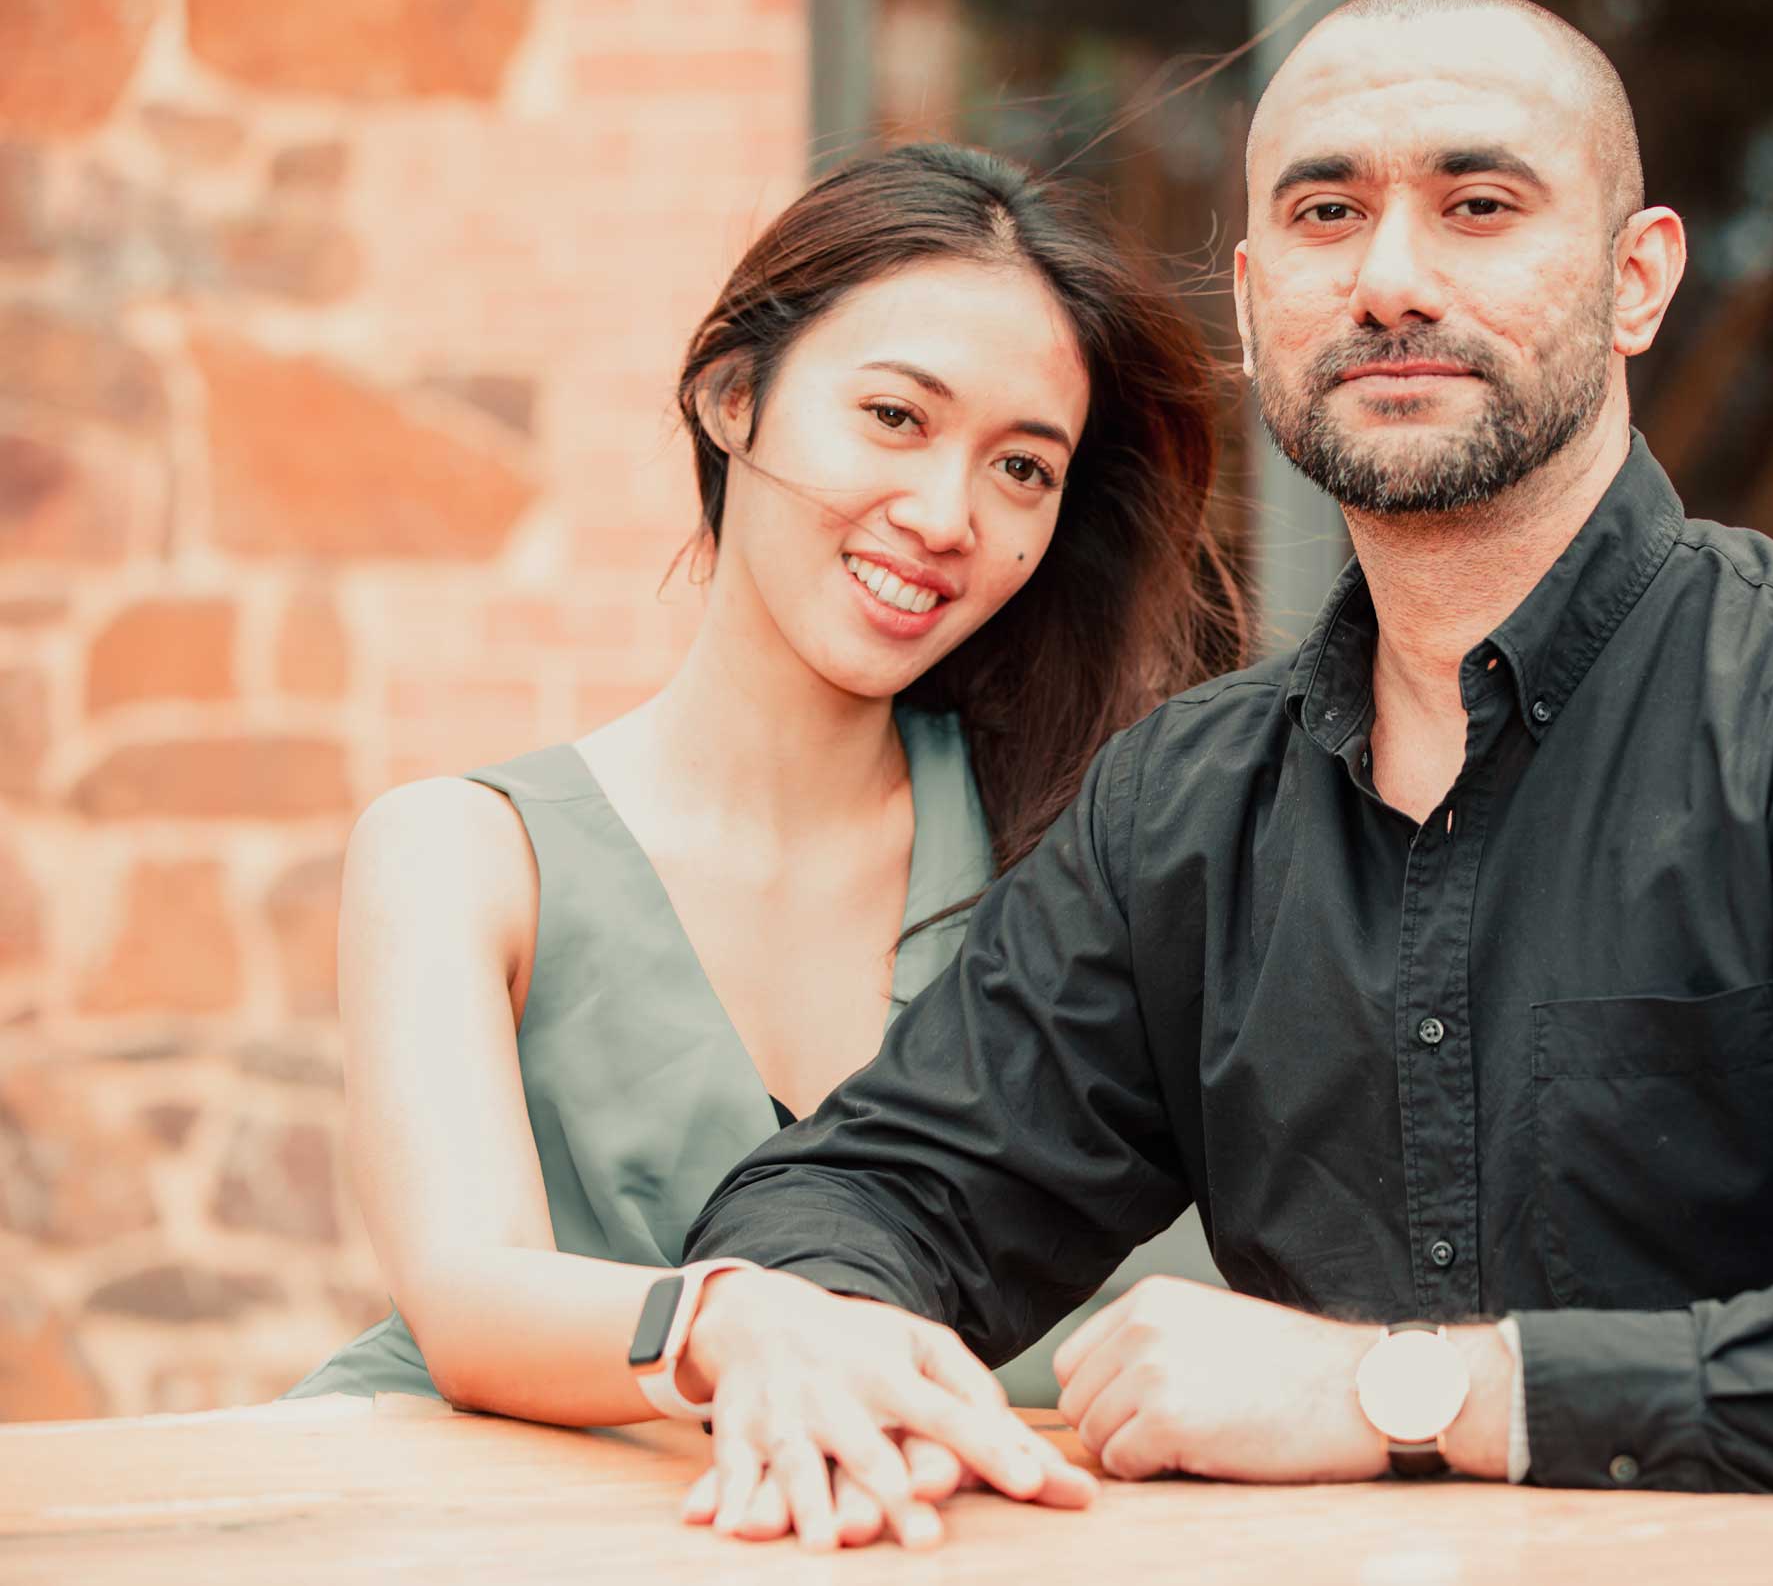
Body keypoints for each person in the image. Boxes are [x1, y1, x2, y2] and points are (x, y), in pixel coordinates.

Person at [677, 0, 1773, 1586]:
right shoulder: (1184, 813)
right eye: (1327, 213)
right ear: (1252, 302)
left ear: (1637, 280)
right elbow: (876, 1191)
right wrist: (784, 1321)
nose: (1390, 279)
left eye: (1479, 206)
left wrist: (1404, 1392)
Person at [282, 142, 1249, 1551]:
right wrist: (733, 1324)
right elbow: (469, 1297)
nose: (946, 517)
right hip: (534, 1540)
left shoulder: (1096, 842)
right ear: (732, 398)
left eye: (1021, 468)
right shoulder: (464, 854)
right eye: (895, 417)